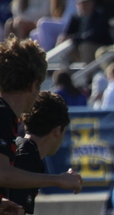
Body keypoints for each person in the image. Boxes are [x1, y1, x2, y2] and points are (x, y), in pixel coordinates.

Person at [0, 37, 83, 193]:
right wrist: (57, 179)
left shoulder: (6, 115)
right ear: (33, 86)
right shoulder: (3, 114)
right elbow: (3, 174)